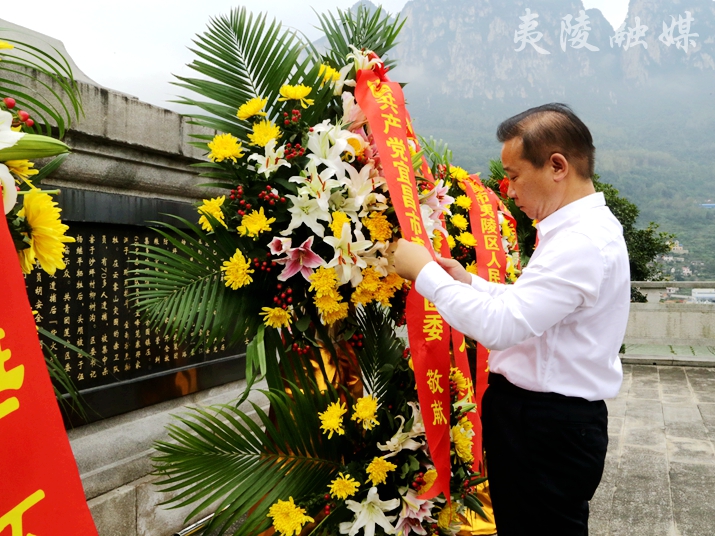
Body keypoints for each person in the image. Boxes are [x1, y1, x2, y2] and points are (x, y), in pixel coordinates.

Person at [394, 103, 630, 535]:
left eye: (515, 175)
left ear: (557, 166)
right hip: (540, 421)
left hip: (546, 427)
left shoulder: (580, 241)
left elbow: (503, 327)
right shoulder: (575, 231)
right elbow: (532, 309)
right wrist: (468, 282)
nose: (508, 189)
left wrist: (423, 273)